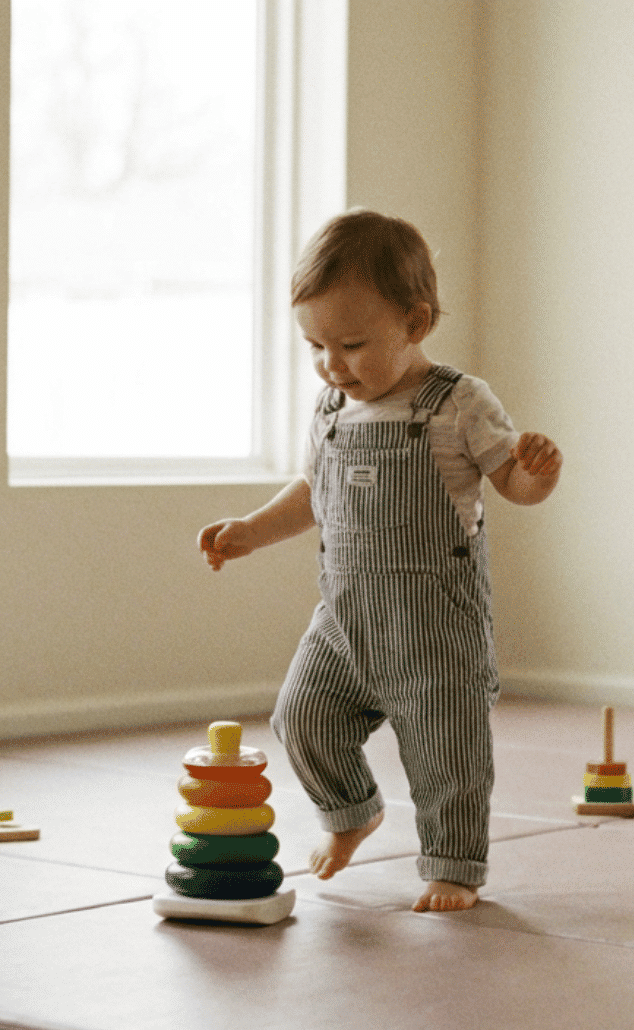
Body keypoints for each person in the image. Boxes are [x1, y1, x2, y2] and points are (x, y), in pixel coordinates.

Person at [198, 210, 561, 913]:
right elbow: (314, 492)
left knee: (446, 753)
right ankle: (351, 810)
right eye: (316, 345)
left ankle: (453, 865)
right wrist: (249, 529)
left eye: (352, 344)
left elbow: (511, 484)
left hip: (432, 623)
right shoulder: (333, 406)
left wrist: (536, 474)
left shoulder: (457, 402)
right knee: (300, 715)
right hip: (345, 616)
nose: (333, 363)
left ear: (415, 321)